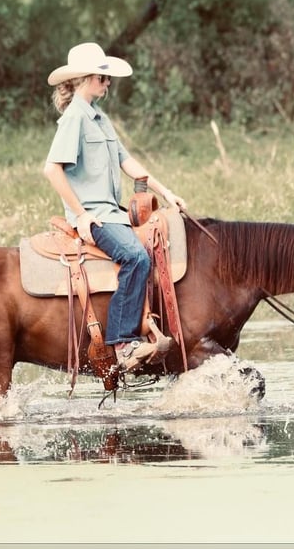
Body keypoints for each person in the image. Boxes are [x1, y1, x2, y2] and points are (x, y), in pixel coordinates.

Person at [43, 42, 187, 372]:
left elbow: (127, 160)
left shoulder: (100, 118)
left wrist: (166, 192)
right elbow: (52, 169)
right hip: (95, 216)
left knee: (153, 247)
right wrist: (80, 215)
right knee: (135, 257)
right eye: (104, 79)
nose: (108, 84)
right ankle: (123, 343)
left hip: (113, 212)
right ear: (89, 78)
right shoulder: (74, 119)